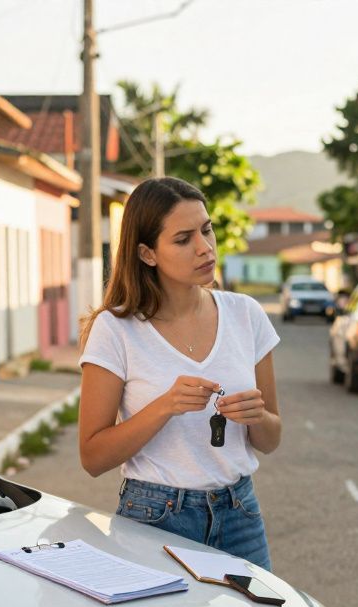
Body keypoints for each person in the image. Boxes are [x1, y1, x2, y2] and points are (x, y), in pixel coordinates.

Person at [78, 177, 282, 570]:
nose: (205, 248)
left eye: (207, 230)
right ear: (147, 253)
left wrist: (258, 417)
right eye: (183, 238)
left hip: (239, 512)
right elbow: (92, 457)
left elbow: (271, 439)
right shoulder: (115, 329)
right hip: (156, 518)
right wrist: (165, 407)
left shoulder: (246, 315)